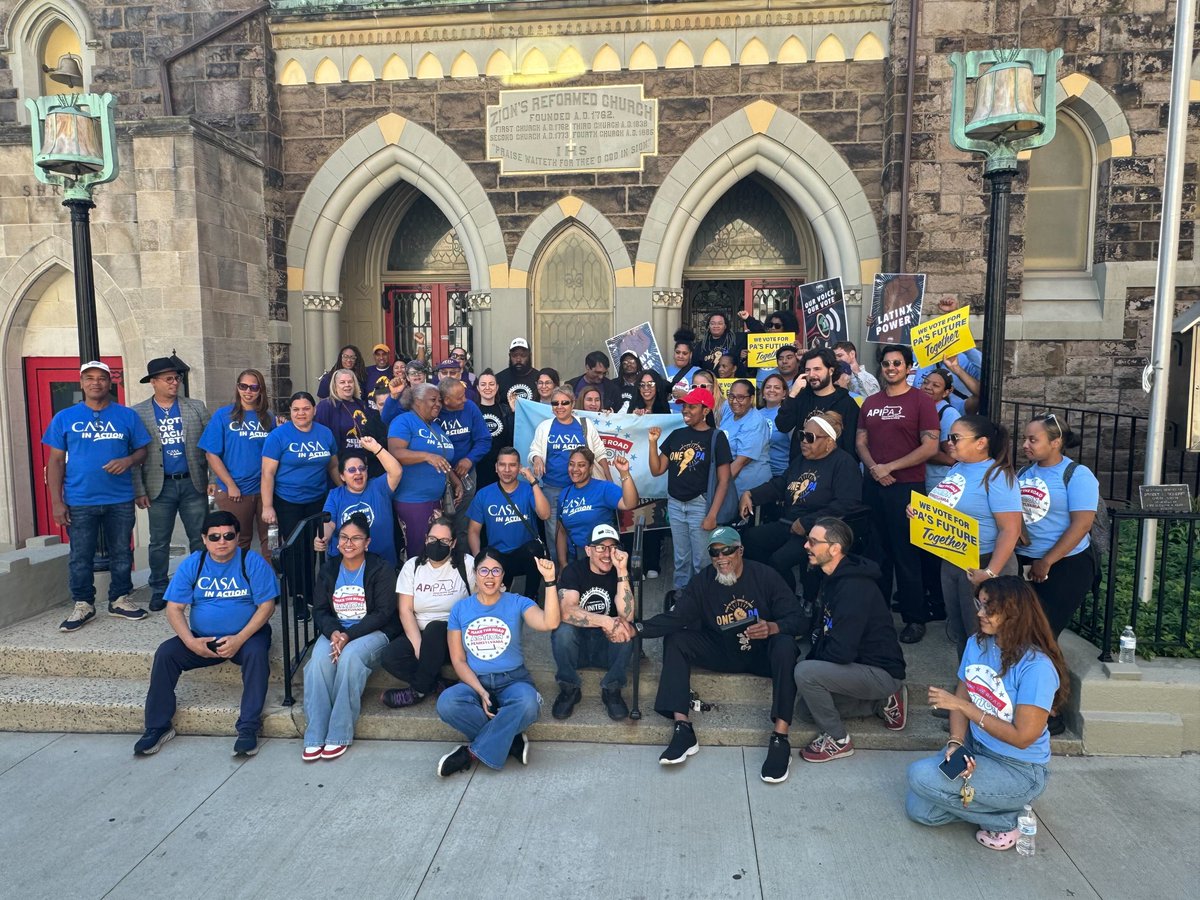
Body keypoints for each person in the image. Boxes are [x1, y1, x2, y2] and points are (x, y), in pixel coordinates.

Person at [906, 576, 1067, 851]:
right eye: (978, 605)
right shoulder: (977, 644)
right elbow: (962, 694)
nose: (979, 614)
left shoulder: (1036, 667)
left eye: (988, 608)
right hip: (975, 749)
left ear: (1013, 613)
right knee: (920, 809)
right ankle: (998, 812)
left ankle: (1007, 815)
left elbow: (1023, 737)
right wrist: (956, 742)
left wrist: (967, 709)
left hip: (1018, 770)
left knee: (920, 776)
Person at [633, 527, 803, 784]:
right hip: (722, 649)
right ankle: (683, 728)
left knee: (785, 645)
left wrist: (772, 627)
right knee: (677, 639)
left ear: (740, 550)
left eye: (728, 551)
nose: (721, 558)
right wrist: (637, 628)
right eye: (715, 552)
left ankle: (780, 738)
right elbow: (677, 618)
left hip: (760, 654)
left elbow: (799, 619)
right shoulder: (704, 580)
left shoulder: (765, 576)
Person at [133, 511, 277, 758]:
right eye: (215, 536)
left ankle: (248, 728)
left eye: (228, 535)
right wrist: (190, 641)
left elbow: (267, 606)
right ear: (204, 538)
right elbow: (175, 608)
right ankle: (157, 726)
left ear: (237, 536)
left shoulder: (250, 561)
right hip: (203, 639)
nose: (222, 541)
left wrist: (240, 638)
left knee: (256, 654)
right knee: (166, 653)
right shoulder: (194, 563)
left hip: (245, 637)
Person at [45, 361, 152, 631]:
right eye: (90, 378)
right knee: (80, 555)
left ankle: (119, 599)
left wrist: (127, 461)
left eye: (102, 378)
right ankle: (83, 604)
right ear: (81, 383)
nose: (96, 383)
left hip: (120, 497)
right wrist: (57, 502)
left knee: (120, 551)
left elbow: (142, 451)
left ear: (109, 382)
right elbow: (56, 462)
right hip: (80, 499)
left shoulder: (126, 416)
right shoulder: (64, 418)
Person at [434, 549, 559, 776]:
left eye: (496, 570)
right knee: (447, 703)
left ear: (503, 575)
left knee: (529, 704)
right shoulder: (460, 609)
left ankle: (470, 754)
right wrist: (481, 692)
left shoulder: (518, 602)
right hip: (476, 680)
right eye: (484, 570)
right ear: (475, 573)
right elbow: (458, 660)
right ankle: (509, 739)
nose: (489, 576)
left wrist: (549, 581)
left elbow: (549, 622)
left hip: (514, 679)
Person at [793, 518, 908, 762]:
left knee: (805, 673)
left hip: (880, 671)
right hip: (858, 668)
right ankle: (880, 703)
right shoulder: (832, 578)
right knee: (805, 710)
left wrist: (815, 665)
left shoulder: (853, 587)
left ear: (834, 549)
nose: (806, 546)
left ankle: (838, 739)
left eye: (813, 541)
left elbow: (841, 651)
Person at [1017, 414, 1099, 731]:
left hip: (1066, 566)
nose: (1025, 444)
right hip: (1027, 563)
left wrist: (1048, 560)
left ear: (1056, 442)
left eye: (1032, 440)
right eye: (1024, 438)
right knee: (1021, 636)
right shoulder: (1025, 472)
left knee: (1043, 637)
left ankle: (1052, 709)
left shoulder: (1077, 475)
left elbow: (1082, 524)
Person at [856, 345, 939, 644]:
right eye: (887, 363)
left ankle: (915, 618)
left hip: (906, 487)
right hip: (874, 486)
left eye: (897, 363)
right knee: (876, 554)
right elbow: (860, 441)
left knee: (906, 555)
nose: (891, 368)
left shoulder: (922, 401)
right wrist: (875, 468)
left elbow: (930, 446)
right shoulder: (871, 402)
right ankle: (878, 619)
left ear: (907, 368)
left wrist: (890, 466)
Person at [302, 513, 401, 761]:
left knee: (350, 659)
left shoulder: (381, 568)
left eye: (356, 538)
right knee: (317, 664)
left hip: (372, 632)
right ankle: (315, 735)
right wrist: (334, 631)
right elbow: (321, 610)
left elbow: (383, 613)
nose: (348, 543)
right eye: (344, 537)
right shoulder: (329, 568)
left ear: (367, 543)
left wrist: (348, 635)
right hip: (337, 631)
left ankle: (338, 733)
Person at [925, 415, 1023, 658]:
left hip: (984, 560)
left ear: (981, 443)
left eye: (955, 438)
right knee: (961, 633)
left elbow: (1011, 530)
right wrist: (921, 513)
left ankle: (987, 690)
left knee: (985, 635)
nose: (949, 442)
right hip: (953, 559)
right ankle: (966, 686)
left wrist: (989, 572)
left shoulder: (997, 476)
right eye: (949, 437)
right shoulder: (958, 468)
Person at [740, 411, 865, 596]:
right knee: (749, 540)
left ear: (829, 442)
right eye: (801, 435)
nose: (804, 441)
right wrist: (750, 494)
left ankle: (794, 602)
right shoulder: (801, 461)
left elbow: (846, 504)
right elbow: (780, 485)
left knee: (779, 560)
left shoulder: (844, 464)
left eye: (810, 437)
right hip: (790, 524)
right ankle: (778, 595)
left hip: (820, 531)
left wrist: (808, 522)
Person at [130, 356, 212, 613]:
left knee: (200, 539)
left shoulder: (196, 407)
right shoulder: (138, 412)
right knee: (159, 541)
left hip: (193, 483)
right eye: (168, 379)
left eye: (176, 378)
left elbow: (211, 447)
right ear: (153, 382)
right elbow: (133, 454)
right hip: (159, 486)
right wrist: (139, 490)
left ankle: (201, 585)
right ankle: (158, 588)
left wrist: (214, 478)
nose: (174, 382)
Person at [648, 387, 733, 604]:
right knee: (681, 557)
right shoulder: (677, 435)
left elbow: (724, 479)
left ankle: (704, 599)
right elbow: (657, 470)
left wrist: (712, 514)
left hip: (700, 504)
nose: (686, 410)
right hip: (676, 503)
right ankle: (682, 597)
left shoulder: (716, 437)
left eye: (692, 406)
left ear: (705, 411)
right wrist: (652, 443)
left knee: (702, 559)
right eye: (684, 406)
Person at [380, 517, 476, 708]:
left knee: (435, 628)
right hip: (421, 632)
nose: (437, 544)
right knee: (389, 656)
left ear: (454, 543)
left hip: (456, 637)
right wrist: (418, 645)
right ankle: (437, 684)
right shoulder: (413, 566)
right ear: (425, 539)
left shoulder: (467, 564)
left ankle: (418, 690)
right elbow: (405, 610)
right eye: (432, 539)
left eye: (444, 541)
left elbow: (479, 602)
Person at [551, 524, 636, 721]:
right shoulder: (573, 571)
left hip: (606, 646)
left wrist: (622, 571)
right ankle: (569, 688)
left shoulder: (619, 572)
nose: (607, 554)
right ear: (588, 550)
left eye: (612, 547)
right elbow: (566, 611)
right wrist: (606, 621)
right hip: (577, 646)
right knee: (563, 631)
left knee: (626, 629)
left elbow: (628, 615)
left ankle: (612, 689)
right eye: (600, 547)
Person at [528, 385, 611, 554]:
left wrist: (609, 480)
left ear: (572, 404)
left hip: (582, 489)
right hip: (553, 488)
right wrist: (537, 458)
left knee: (583, 529)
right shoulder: (545, 427)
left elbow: (600, 453)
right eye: (555, 403)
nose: (559, 407)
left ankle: (585, 568)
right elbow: (535, 450)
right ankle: (558, 573)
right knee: (553, 533)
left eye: (564, 402)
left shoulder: (584, 424)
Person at [201, 368, 274, 557]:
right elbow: (211, 454)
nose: (248, 391)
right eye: (243, 386)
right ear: (237, 388)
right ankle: (240, 582)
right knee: (239, 540)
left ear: (261, 390)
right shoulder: (223, 415)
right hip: (234, 491)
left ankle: (268, 583)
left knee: (271, 540)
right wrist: (230, 484)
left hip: (265, 489)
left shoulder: (269, 418)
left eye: (253, 387)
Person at [387, 382, 460, 558]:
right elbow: (395, 452)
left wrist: (456, 481)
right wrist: (427, 456)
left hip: (437, 501)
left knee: (436, 552)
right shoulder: (404, 421)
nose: (438, 404)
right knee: (418, 552)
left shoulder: (435, 427)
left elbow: (441, 459)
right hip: (413, 501)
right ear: (417, 401)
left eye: (440, 400)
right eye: (433, 400)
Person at [261, 391, 339, 549]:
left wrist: (344, 490)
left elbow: (333, 466)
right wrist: (267, 506)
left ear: (314, 410)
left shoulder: (325, 433)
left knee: (315, 546)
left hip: (318, 500)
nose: (301, 413)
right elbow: (267, 473)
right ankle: (293, 575)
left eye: (306, 408)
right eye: (296, 409)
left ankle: (310, 575)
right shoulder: (278, 436)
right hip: (288, 501)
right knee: (293, 549)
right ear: (290, 411)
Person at [466, 448, 550, 597]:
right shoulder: (484, 494)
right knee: (488, 556)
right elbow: (473, 531)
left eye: (512, 465)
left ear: (519, 468)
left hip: (525, 555)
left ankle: (531, 598)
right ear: (496, 468)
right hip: (498, 556)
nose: (507, 470)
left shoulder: (528, 490)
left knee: (534, 548)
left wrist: (533, 481)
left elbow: (545, 514)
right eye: (502, 465)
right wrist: (479, 559)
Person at [314, 436, 403, 570]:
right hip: (345, 565)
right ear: (342, 476)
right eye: (351, 470)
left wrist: (376, 448)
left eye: (362, 468)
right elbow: (329, 522)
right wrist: (322, 537)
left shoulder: (379, 487)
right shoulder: (335, 495)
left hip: (381, 564)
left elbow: (396, 471)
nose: (358, 472)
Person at [920, 367, 961, 622]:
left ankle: (939, 602)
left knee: (936, 548)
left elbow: (950, 454)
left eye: (936, 385)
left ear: (947, 391)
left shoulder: (948, 413)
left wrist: (920, 449)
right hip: (922, 482)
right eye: (926, 382)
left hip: (939, 486)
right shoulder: (921, 406)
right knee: (923, 545)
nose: (928, 387)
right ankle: (928, 595)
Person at [555, 449, 638, 564]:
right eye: (571, 464)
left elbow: (630, 503)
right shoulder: (565, 494)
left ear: (590, 467)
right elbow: (561, 531)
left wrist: (624, 473)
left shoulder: (604, 488)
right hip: (577, 559)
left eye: (581, 465)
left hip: (604, 557)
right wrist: (563, 564)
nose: (575, 469)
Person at [775, 347, 860, 461]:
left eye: (817, 369)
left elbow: (850, 446)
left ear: (831, 371)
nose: (812, 374)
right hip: (801, 469)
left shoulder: (846, 404)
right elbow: (782, 425)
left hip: (832, 472)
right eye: (807, 370)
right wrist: (793, 394)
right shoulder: (801, 397)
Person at [436, 378, 492, 541]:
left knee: (463, 523)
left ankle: (462, 560)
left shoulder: (470, 408)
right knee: (439, 521)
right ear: (446, 400)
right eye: (459, 397)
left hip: (466, 474)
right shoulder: (434, 411)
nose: (465, 399)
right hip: (438, 474)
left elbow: (484, 439)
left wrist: (469, 459)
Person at [314, 368, 386, 470]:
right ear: (335, 386)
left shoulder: (362, 405)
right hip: (340, 465)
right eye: (342, 382)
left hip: (364, 464)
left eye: (350, 382)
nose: (347, 385)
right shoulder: (326, 406)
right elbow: (319, 436)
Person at [722, 380, 772, 497]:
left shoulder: (755, 422)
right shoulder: (730, 413)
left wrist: (718, 487)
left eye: (740, 397)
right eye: (731, 396)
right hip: (730, 484)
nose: (734, 401)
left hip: (748, 489)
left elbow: (741, 461)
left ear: (751, 398)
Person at [474, 369, 512, 491]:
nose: (487, 388)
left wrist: (514, 413)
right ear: (478, 388)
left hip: (502, 468)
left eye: (491, 384)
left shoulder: (505, 410)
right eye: (483, 384)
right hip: (478, 467)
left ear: (497, 387)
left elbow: (512, 437)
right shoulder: (472, 411)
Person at [758, 373, 792, 478]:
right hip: (759, 474)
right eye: (768, 387)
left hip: (781, 474)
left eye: (777, 387)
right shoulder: (755, 415)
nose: (772, 390)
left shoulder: (788, 414)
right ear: (763, 393)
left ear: (784, 393)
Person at [495, 337, 540, 403]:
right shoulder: (499, 379)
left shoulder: (539, 379)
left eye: (523, 355)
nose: (518, 359)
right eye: (514, 355)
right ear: (509, 356)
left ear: (530, 356)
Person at [665, 328, 700, 402]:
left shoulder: (697, 372)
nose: (680, 356)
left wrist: (687, 395)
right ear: (674, 353)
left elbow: (704, 398)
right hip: (667, 413)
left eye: (684, 353)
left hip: (687, 412)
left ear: (690, 355)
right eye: (678, 352)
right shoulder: (665, 370)